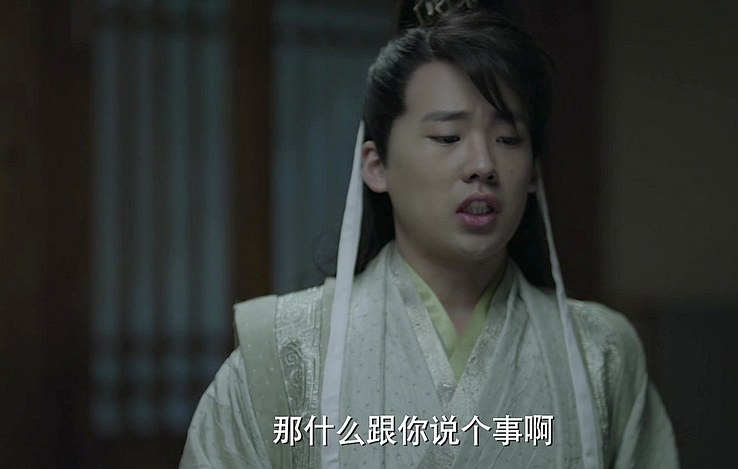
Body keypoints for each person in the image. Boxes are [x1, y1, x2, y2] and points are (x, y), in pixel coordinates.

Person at [180, 4, 679, 468]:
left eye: (508, 138)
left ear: (532, 174)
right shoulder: (286, 355)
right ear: (376, 166)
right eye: (447, 137)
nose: (483, 164)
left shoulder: (599, 353)